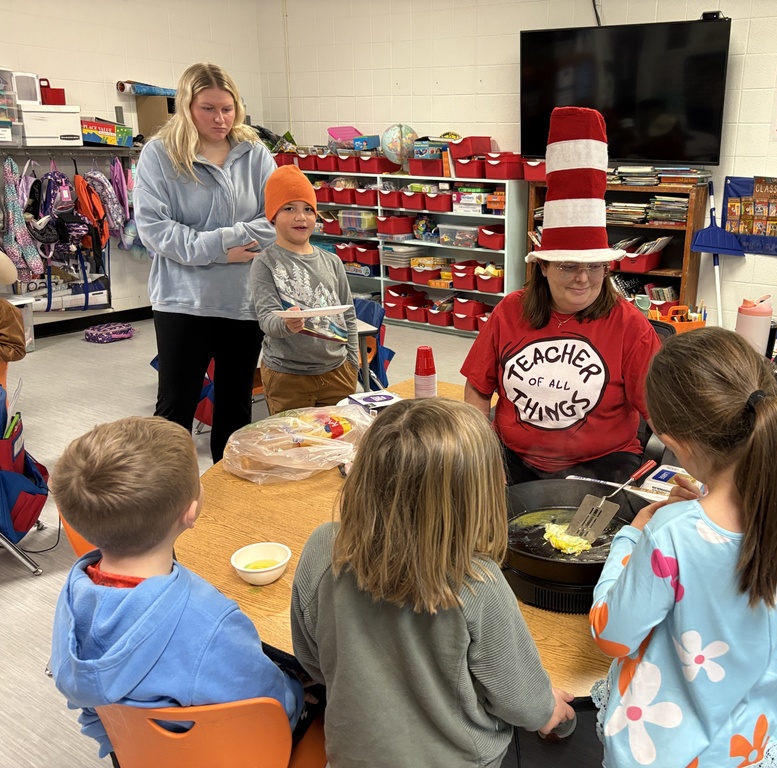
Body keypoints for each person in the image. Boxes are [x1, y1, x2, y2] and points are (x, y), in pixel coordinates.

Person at [589, 327, 777, 768]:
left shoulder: (670, 533)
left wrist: (633, 535)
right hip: (754, 743)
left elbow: (611, 636)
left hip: (666, 749)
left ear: (673, 443)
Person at [290, 398, 575, 767]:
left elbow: (312, 660)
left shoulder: (324, 546)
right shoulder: (478, 583)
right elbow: (524, 702)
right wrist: (554, 714)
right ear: (476, 496)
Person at [48, 417, 303, 762]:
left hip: (133, 750)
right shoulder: (210, 621)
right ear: (191, 513)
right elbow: (272, 703)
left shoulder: (72, 599)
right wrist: (298, 689)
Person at [461, 106, 661, 484]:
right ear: (544, 268)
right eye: (568, 266)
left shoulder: (630, 326)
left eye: (595, 266)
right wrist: (480, 449)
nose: (583, 279)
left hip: (603, 462)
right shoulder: (510, 311)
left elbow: (660, 414)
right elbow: (476, 389)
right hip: (512, 457)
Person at [135, 62, 276, 462]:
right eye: (208, 108)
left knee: (235, 411)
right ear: (187, 106)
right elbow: (155, 231)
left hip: (242, 301)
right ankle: (166, 507)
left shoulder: (255, 153)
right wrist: (223, 248)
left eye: (227, 109)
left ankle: (228, 507)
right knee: (174, 410)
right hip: (183, 302)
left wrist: (217, 245)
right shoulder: (159, 155)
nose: (220, 118)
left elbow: (274, 217)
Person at [250, 165, 359, 414]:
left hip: (338, 371)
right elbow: (266, 318)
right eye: (289, 208)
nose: (301, 217)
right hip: (288, 376)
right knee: (295, 448)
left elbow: (349, 316)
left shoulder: (331, 261)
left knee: (337, 444)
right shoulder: (265, 262)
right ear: (273, 216)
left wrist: (352, 362)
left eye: (308, 209)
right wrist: (287, 325)